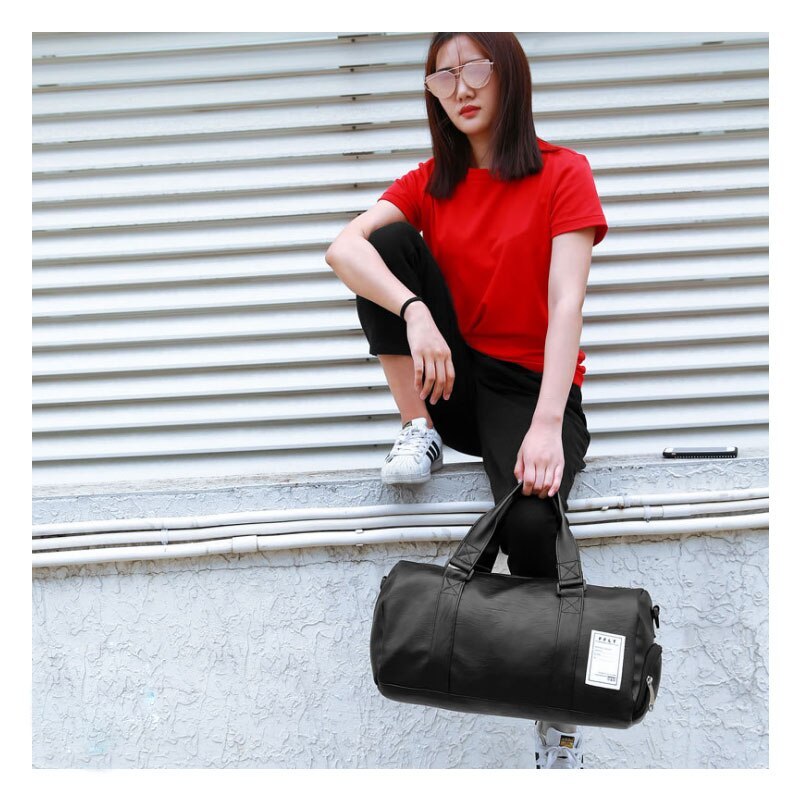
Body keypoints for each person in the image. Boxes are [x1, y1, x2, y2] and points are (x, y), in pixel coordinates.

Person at [325, 32, 607, 769]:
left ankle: (556, 712)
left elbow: (567, 302)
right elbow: (342, 250)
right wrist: (415, 310)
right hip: (452, 379)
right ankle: (416, 428)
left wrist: (547, 425)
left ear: (509, 75)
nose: (461, 88)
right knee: (385, 249)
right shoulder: (429, 182)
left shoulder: (563, 172)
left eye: (475, 68)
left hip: (530, 390)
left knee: (534, 523)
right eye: (443, 75)